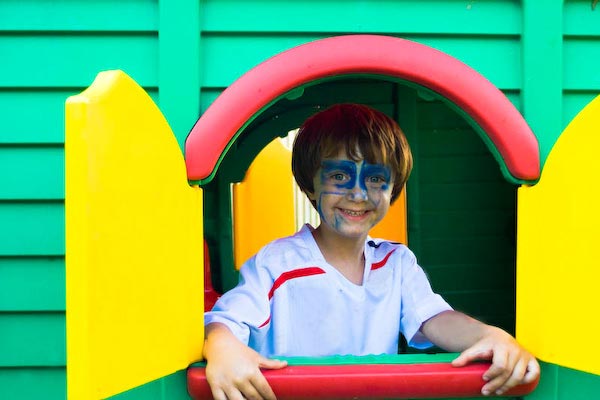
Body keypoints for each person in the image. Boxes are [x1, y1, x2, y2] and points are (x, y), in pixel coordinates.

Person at [203, 103, 540, 400]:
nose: (359, 194)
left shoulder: (397, 264)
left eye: (377, 179)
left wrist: (490, 336)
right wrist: (223, 348)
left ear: (393, 191)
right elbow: (226, 322)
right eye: (339, 175)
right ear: (310, 185)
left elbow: (435, 319)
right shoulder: (278, 264)